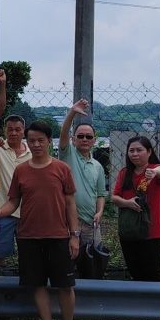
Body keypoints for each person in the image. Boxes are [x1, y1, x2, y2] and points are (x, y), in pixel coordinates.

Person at [0, 121, 81, 320]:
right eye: (31, 140)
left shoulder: (62, 169)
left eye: (40, 140)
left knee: (65, 286)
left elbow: (70, 203)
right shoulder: (21, 171)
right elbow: (13, 202)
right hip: (28, 237)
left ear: (48, 141)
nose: (36, 144)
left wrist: (74, 236)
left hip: (59, 236)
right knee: (37, 285)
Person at [111, 135, 160, 320]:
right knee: (136, 272)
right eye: (131, 150)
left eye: (139, 150)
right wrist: (127, 203)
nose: (135, 154)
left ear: (149, 152)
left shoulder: (155, 173)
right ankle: (141, 311)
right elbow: (114, 197)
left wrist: (154, 171)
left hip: (153, 233)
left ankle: (153, 315)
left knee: (151, 273)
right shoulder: (124, 173)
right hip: (130, 231)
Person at [58, 99, 108, 279]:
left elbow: (101, 194)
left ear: (94, 140)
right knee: (67, 263)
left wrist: (100, 211)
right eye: (80, 136)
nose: (84, 139)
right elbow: (63, 133)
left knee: (92, 265)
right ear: (73, 139)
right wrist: (72, 112)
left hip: (91, 224)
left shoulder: (97, 166)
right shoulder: (67, 154)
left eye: (88, 136)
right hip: (69, 222)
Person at [0, 114, 31, 275]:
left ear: (23, 131)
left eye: (17, 129)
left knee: (27, 254)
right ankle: (0, 289)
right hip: (2, 211)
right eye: (10, 129)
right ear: (4, 130)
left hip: (27, 212)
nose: (13, 133)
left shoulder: (31, 152)